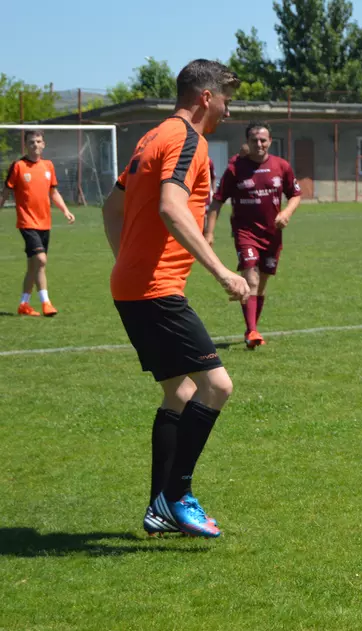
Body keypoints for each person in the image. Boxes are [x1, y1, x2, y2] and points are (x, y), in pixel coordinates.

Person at [101, 59, 249, 538]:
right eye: (226, 100)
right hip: (155, 289)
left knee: (180, 393)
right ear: (206, 97)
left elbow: (111, 207)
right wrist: (222, 270)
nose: (228, 110)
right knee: (217, 386)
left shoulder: (151, 136)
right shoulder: (189, 139)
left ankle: (157, 509)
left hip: (131, 287)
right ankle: (177, 495)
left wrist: (126, 260)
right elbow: (171, 206)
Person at [206, 122, 302, 348]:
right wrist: (208, 232)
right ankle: (252, 331)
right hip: (245, 232)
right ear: (247, 142)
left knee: (261, 284)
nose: (259, 144)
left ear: (270, 141)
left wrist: (286, 213)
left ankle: (252, 328)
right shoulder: (236, 168)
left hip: (272, 234)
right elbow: (217, 201)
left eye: (263, 140)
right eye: (254, 140)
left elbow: (295, 194)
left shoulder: (282, 166)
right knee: (251, 279)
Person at [1, 131, 75, 316]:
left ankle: (24, 304)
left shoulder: (48, 166)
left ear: (44, 144)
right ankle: (46, 302)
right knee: (41, 260)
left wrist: (65, 210)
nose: (35, 144)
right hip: (27, 222)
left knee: (35, 265)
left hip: (45, 223)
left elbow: (53, 192)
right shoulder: (18, 166)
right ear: (26, 145)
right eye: (31, 142)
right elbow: (5, 193)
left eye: (38, 141)